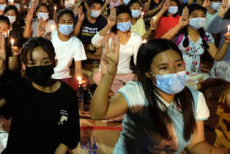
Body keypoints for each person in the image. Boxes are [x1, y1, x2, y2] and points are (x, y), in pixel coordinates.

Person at [90, 37, 228, 153]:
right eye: (164, 68)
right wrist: (108, 75)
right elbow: (98, 113)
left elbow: (196, 144)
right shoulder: (136, 93)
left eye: (178, 65)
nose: (173, 72)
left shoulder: (195, 98)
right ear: (147, 73)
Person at [0, 36, 80, 154]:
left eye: (45, 62)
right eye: (32, 63)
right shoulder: (18, 89)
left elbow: (68, 137)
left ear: (55, 63)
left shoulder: (67, 94)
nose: (38, 67)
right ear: (24, 66)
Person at [162, 4, 228, 74]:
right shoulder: (179, 35)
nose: (200, 19)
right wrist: (180, 25)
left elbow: (217, 57)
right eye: (195, 16)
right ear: (187, 17)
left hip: (196, 76)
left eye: (203, 16)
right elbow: (162, 41)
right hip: (178, 74)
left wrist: (226, 42)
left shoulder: (206, 36)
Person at [91, 6, 141, 94]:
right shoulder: (109, 34)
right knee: (97, 77)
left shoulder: (136, 38)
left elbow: (137, 61)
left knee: (138, 82)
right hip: (107, 72)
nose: (124, 22)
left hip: (126, 74)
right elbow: (94, 41)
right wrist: (108, 25)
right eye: (120, 20)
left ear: (131, 19)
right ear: (115, 21)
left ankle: (115, 94)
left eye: (127, 19)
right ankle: (120, 94)